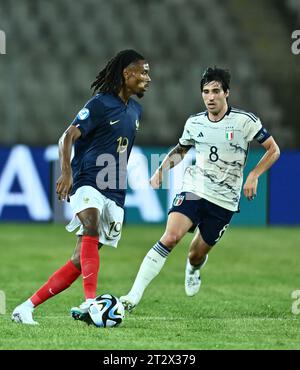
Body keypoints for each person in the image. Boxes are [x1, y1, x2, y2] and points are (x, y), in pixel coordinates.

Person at [120, 66, 280, 312]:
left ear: (226, 93)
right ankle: (132, 296)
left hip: (225, 199)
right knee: (171, 237)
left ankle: (193, 269)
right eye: (206, 92)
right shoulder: (194, 123)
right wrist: (161, 170)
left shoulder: (244, 121)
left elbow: (273, 149)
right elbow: (181, 150)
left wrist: (254, 175)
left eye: (216, 91)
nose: (210, 97)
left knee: (196, 254)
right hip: (195, 188)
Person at [11, 49, 151, 325]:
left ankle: (25, 307)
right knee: (91, 223)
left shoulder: (135, 110)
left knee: (78, 261)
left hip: (114, 188)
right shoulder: (99, 104)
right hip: (87, 178)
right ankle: (90, 303)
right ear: (127, 74)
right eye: (143, 72)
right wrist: (66, 172)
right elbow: (67, 137)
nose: (148, 77)